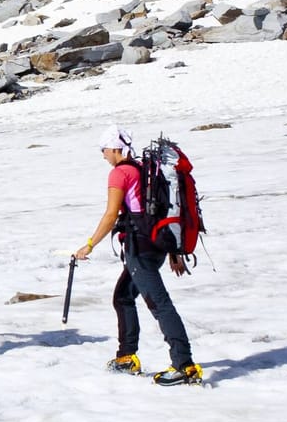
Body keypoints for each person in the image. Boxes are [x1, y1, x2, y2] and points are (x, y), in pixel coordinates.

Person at [73, 125, 201, 385]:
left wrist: (90, 244)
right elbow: (161, 211)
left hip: (139, 250)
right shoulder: (144, 170)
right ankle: (126, 357)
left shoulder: (120, 174)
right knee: (123, 297)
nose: (103, 155)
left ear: (116, 148)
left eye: (105, 149)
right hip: (154, 246)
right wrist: (174, 252)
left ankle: (184, 365)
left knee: (159, 305)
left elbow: (111, 215)